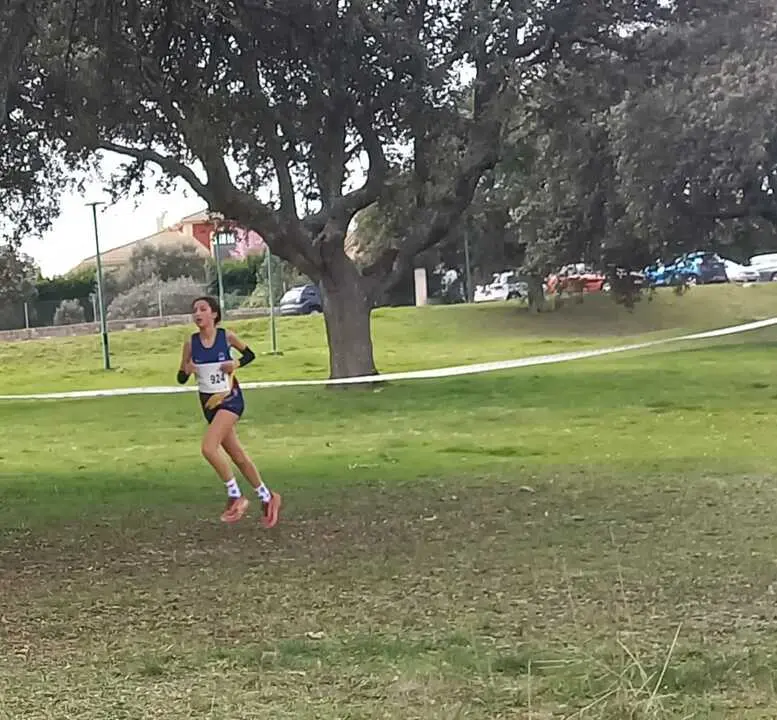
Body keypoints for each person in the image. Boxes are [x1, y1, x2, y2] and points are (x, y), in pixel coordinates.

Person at [176, 296, 281, 528]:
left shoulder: (226, 337)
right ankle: (267, 497)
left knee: (208, 448)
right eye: (194, 310)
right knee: (238, 456)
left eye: (203, 309)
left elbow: (250, 355)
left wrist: (236, 364)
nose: (197, 314)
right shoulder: (191, 344)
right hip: (209, 405)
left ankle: (236, 495)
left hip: (230, 400)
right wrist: (187, 369)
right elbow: (181, 377)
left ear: (214, 314)